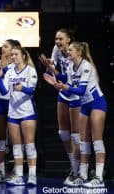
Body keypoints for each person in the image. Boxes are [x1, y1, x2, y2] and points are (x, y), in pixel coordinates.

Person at [53, 42, 107, 188]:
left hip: (97, 103)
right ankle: (82, 175)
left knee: (97, 141)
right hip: (85, 105)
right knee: (83, 142)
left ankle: (99, 177)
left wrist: (64, 86)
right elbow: (70, 91)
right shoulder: (71, 67)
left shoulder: (86, 67)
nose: (67, 52)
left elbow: (81, 90)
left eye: (70, 50)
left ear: (79, 53)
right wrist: (57, 86)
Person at [39, 28, 81, 185]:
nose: (57, 42)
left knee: (76, 135)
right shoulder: (56, 49)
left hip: (75, 91)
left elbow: (69, 75)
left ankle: (79, 170)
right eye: (56, 39)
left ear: (69, 39)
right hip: (63, 90)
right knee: (63, 133)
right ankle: (74, 166)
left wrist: (52, 70)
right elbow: (55, 68)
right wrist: (49, 65)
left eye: (60, 39)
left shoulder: (75, 52)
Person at [0, 46, 38, 186]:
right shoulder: (10, 72)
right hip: (13, 112)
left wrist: (22, 88)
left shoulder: (30, 70)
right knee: (17, 147)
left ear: (23, 56)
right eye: (11, 55)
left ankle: (32, 175)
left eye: (16, 54)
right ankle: (19, 175)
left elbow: (32, 91)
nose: (13, 57)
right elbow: (4, 91)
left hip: (27, 112)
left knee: (29, 145)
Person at [0, 39, 21, 182]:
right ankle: (0, 170)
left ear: (13, 49)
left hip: (14, 102)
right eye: (2, 46)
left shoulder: (18, 64)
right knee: (1, 136)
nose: (2, 48)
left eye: (6, 46)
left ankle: (17, 170)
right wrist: (0, 71)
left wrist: (6, 69)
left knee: (16, 138)